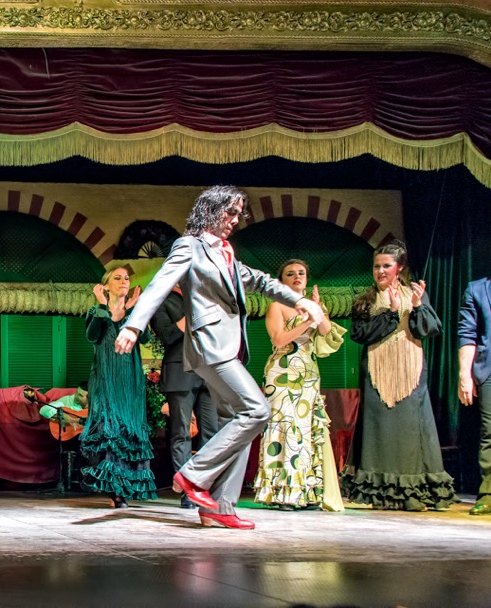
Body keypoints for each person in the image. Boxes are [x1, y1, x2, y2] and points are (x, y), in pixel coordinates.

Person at [114, 185, 324, 530]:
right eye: (231, 212)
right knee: (257, 410)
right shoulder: (189, 246)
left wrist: (299, 301)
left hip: (229, 348)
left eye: (239, 213)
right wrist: (134, 326)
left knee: (238, 424)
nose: (236, 220)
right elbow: (159, 285)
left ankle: (221, 507)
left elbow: (259, 280)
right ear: (210, 210)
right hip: (210, 346)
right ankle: (194, 475)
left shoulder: (225, 253)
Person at [341, 242, 456, 511]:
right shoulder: (365, 299)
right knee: (380, 433)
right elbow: (360, 335)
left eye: (386, 266)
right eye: (376, 266)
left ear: (400, 267)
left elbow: (428, 329)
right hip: (377, 373)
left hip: (411, 373)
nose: (380, 271)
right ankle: (383, 494)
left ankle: (413, 492)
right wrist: (391, 313)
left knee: (410, 433)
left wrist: (417, 307)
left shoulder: (415, 293)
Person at [253, 259, 346, 511]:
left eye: (301, 273)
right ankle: (283, 493)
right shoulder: (277, 306)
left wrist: (318, 311)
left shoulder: (316, 305)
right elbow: (279, 338)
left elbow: (327, 332)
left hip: (308, 373)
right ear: (281, 280)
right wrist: (306, 321)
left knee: (306, 431)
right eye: (290, 273)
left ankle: (307, 493)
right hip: (282, 373)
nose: (296, 277)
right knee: (285, 429)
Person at [81, 267, 158, 509]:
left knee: (130, 430)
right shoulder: (97, 311)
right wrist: (104, 306)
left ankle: (128, 487)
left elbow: (145, 340)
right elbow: (93, 336)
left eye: (126, 278)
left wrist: (134, 311)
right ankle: (115, 491)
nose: (124, 281)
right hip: (106, 379)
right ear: (105, 286)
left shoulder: (135, 313)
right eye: (117, 278)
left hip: (130, 381)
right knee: (111, 430)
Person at [149, 284, 218, 509]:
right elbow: (167, 336)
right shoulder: (162, 300)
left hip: (208, 370)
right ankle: (188, 490)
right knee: (181, 433)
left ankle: (204, 486)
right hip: (180, 371)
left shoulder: (205, 296)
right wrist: (192, 315)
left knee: (212, 432)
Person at [459, 275, 491, 515]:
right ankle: (489, 494)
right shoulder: (477, 289)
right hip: (489, 369)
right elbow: (467, 333)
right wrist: (465, 375)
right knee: (490, 433)